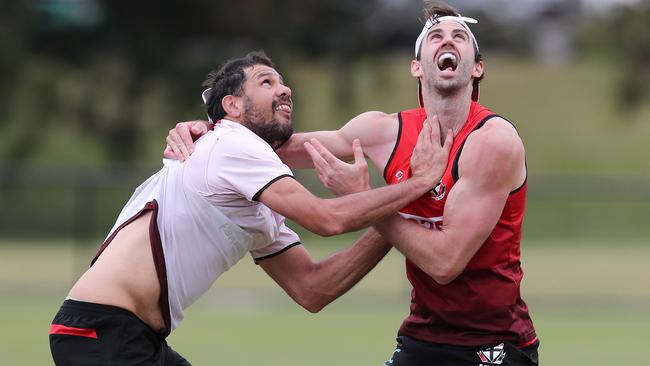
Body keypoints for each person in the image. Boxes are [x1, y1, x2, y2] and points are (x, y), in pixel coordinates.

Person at [166, 2, 539, 365]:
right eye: (436, 36)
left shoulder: (492, 142)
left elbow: (445, 262)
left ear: (476, 68)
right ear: (416, 66)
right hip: (424, 334)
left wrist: (365, 199)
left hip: (493, 342)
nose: (448, 41)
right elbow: (273, 145)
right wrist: (213, 130)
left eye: (460, 36)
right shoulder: (382, 131)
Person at [48, 51, 453, 365]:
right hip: (101, 331)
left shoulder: (254, 196)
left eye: (283, 82)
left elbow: (313, 289)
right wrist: (418, 184)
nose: (285, 89)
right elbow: (326, 219)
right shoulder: (231, 144)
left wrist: (401, 215)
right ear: (233, 107)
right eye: (266, 81)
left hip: (125, 335)